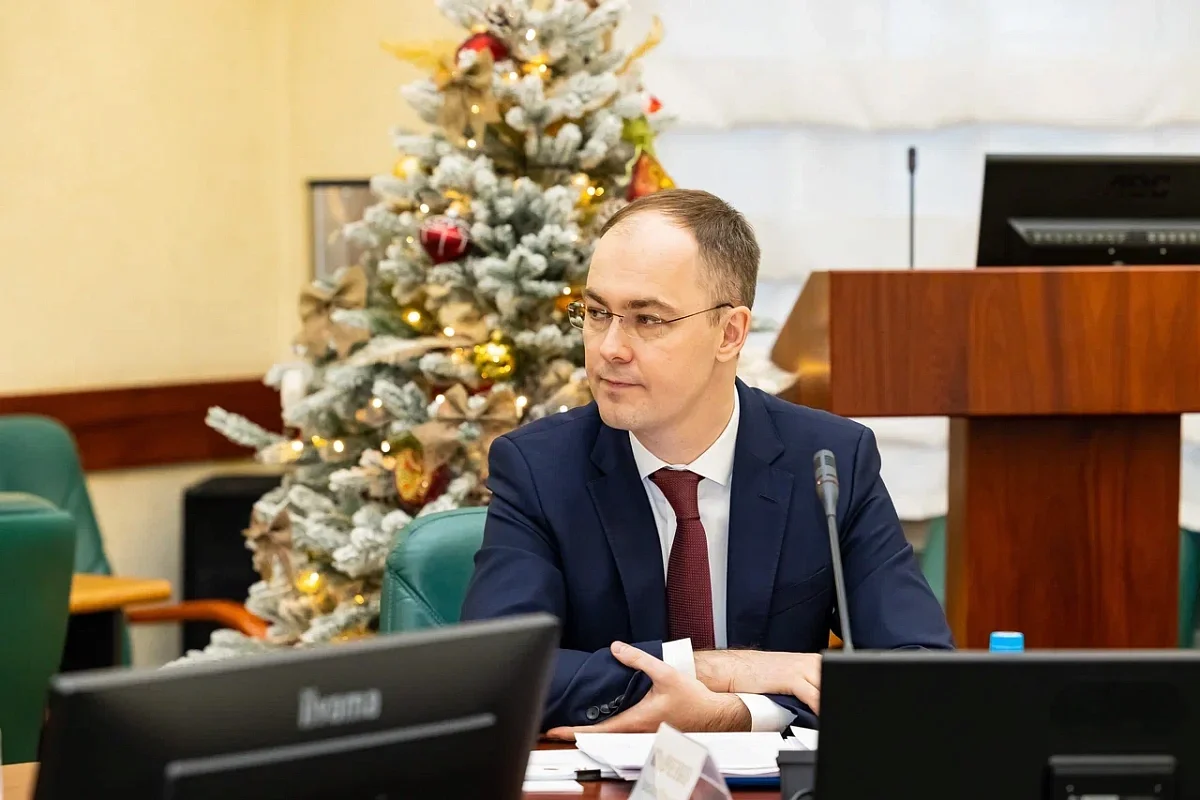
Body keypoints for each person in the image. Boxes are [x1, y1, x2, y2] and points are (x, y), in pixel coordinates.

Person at [459, 188, 953, 737]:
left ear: (730, 333)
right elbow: (497, 675)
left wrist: (739, 713)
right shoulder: (539, 469)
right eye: (598, 313)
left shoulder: (828, 461)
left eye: (648, 319)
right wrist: (719, 668)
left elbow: (919, 671)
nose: (609, 348)